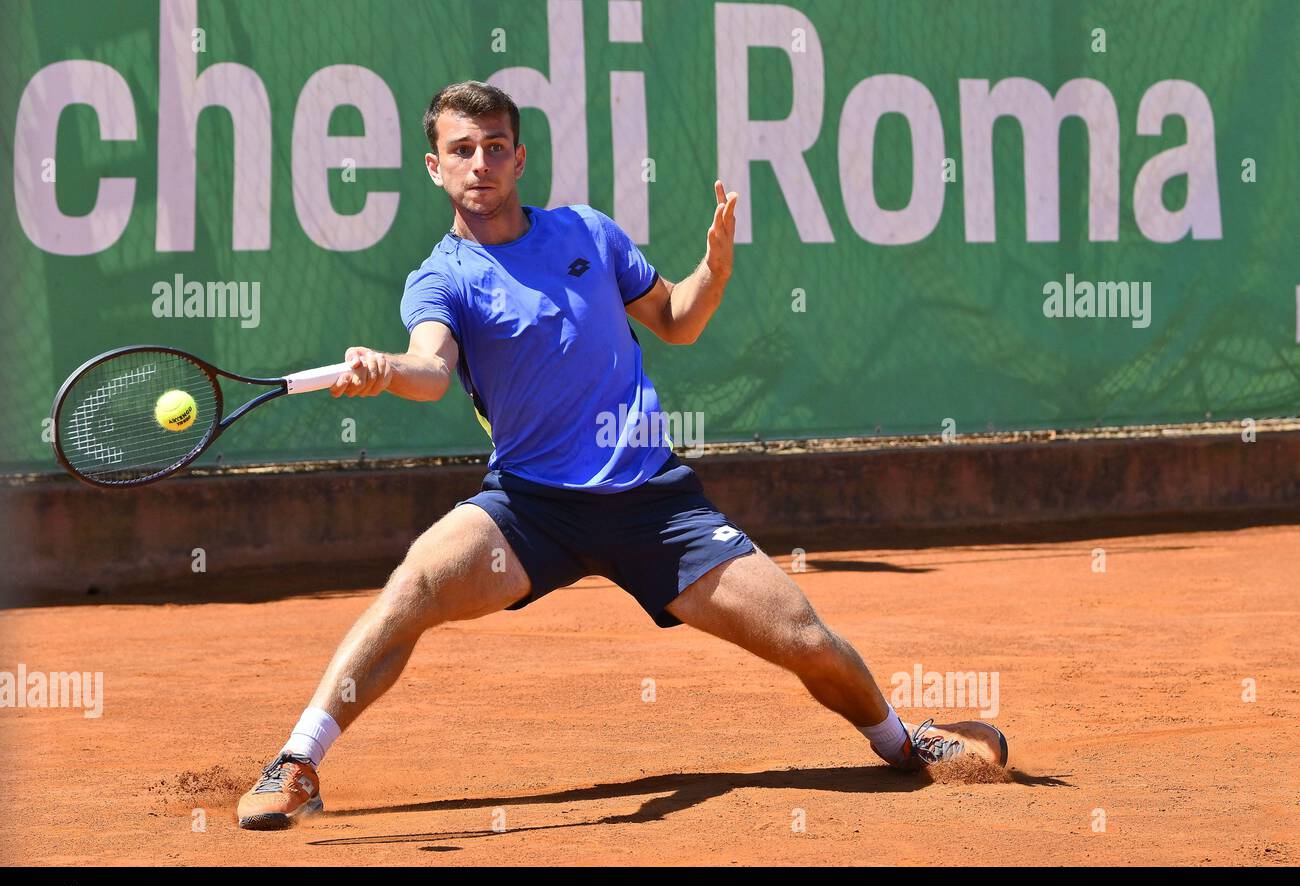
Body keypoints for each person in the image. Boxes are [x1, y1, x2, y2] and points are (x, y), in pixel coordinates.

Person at [236, 80, 1006, 831]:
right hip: (531, 509)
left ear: (519, 158)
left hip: (654, 505)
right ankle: (297, 764)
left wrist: (717, 270)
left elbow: (675, 319)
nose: (480, 164)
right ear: (434, 167)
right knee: (414, 587)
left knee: (804, 637)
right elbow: (431, 371)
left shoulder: (587, 233)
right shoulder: (443, 276)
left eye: (494, 147)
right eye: (461, 150)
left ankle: (904, 742)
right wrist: (381, 368)